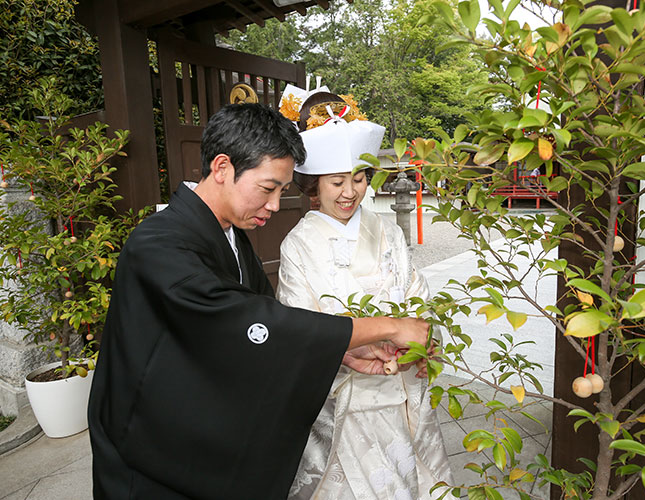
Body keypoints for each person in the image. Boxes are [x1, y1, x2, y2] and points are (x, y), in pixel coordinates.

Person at [87, 103, 429, 500]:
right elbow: (247, 322)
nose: (273, 204)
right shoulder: (157, 243)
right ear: (222, 167)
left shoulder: (232, 239)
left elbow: (268, 331)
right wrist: (386, 326)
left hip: (197, 449)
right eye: (268, 188)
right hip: (151, 459)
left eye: (282, 191)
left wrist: (341, 353)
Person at [277, 92, 453, 499]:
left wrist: (425, 342)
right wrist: (355, 345)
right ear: (313, 184)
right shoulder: (298, 245)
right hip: (344, 393)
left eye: (358, 179)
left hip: (401, 384)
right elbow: (299, 324)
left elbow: (416, 293)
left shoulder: (388, 231)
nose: (349, 192)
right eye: (336, 181)